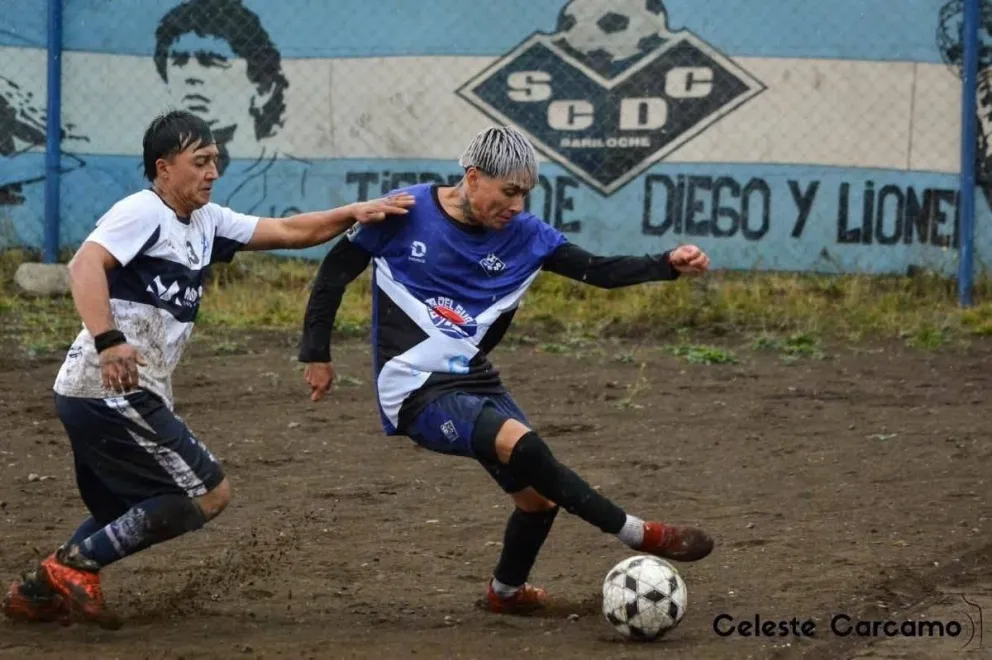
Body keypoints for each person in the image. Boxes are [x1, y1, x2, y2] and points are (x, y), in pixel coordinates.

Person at [0, 109, 414, 628]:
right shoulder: (142, 211)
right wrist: (109, 342)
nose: (213, 171)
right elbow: (85, 264)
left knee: (125, 511)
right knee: (206, 493)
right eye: (200, 161)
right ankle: (71, 568)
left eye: (215, 159)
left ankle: (38, 591)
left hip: (98, 392)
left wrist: (354, 211)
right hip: (111, 387)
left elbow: (287, 230)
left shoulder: (206, 221)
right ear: (164, 168)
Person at [297, 125, 714, 615]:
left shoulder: (526, 237)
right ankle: (636, 532)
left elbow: (597, 271)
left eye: (525, 194)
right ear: (473, 178)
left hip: (473, 378)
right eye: (509, 191)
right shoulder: (402, 212)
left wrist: (665, 263)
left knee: (539, 499)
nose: (517, 205)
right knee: (524, 446)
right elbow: (334, 272)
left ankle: (506, 594)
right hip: (414, 389)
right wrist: (316, 352)